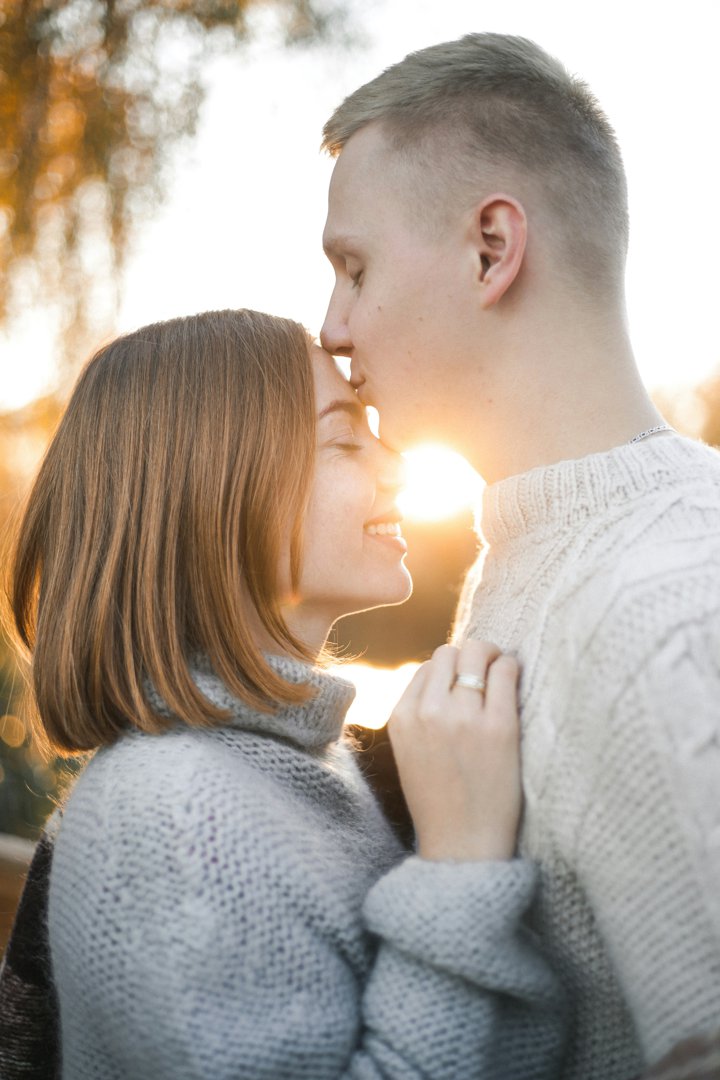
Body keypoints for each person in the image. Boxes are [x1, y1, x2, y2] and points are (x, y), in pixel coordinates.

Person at [2, 308, 565, 1079]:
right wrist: (461, 865)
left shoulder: (296, 765)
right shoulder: (174, 818)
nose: (394, 462)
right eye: (344, 438)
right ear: (213, 490)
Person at [319, 32, 720, 1080]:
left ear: (492, 247)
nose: (332, 328)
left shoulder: (664, 611)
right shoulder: (545, 556)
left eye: (353, 268)